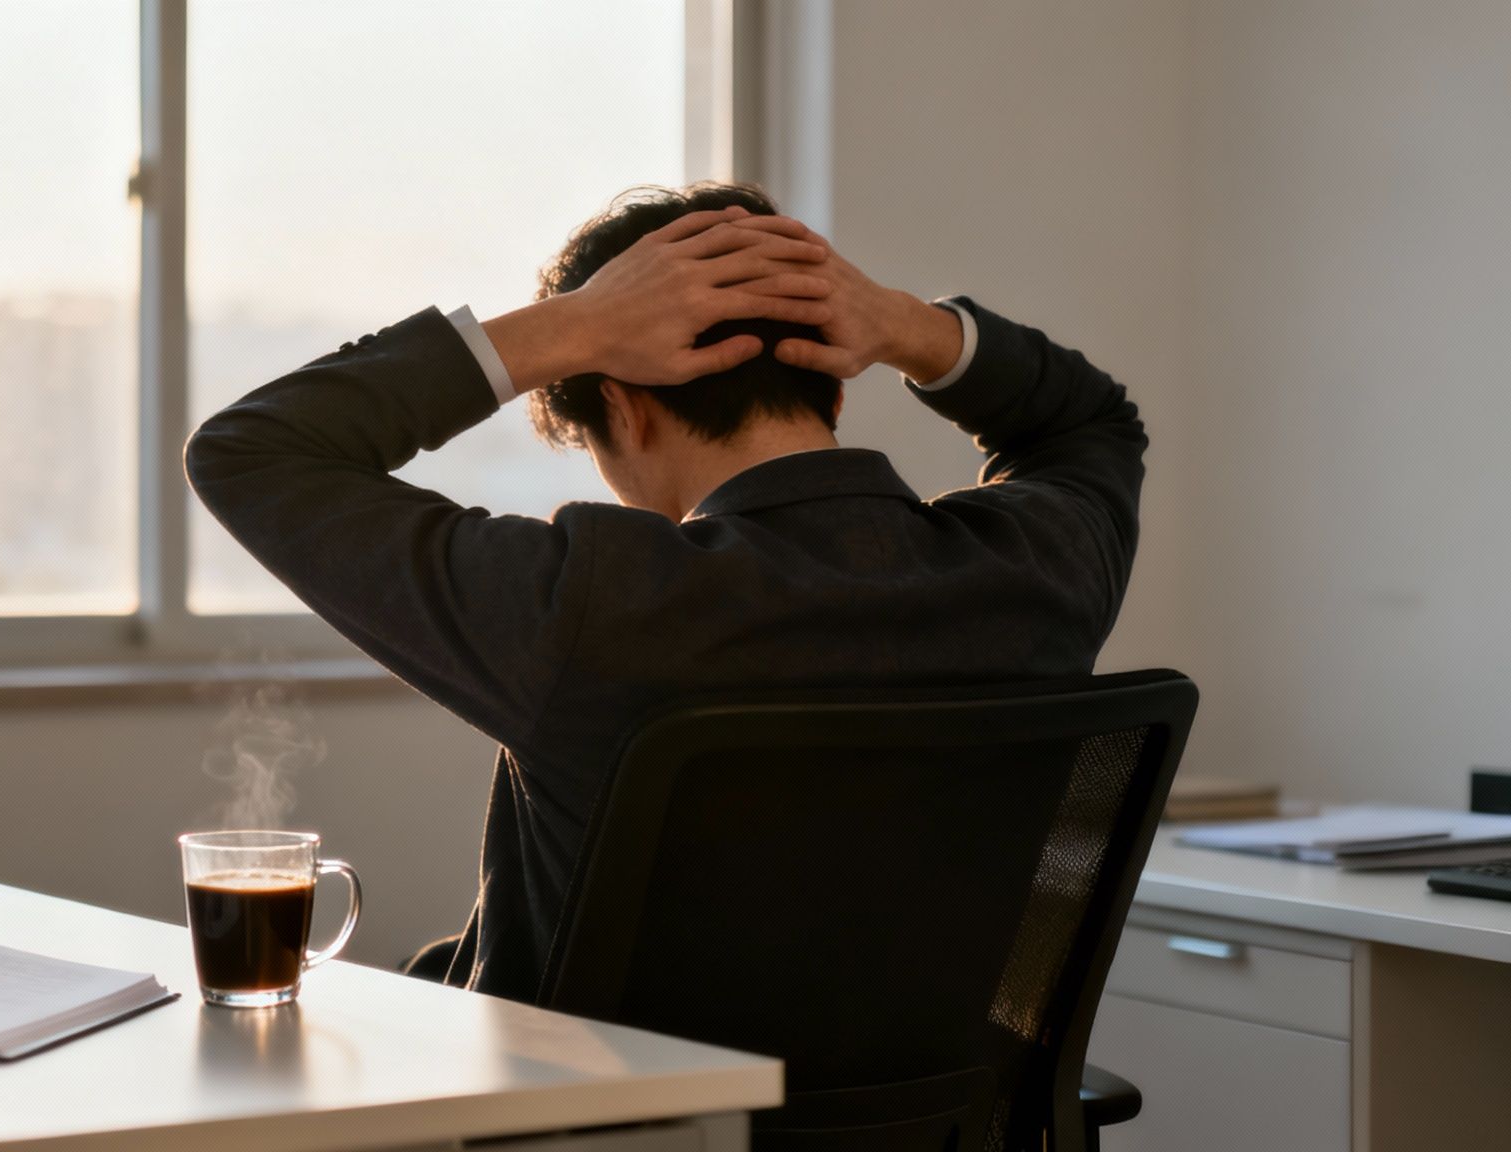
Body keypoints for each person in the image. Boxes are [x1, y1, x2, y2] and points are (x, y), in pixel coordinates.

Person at [185, 183, 1145, 1003]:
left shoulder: (598, 602)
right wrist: (900, 323)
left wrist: (576, 325)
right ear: (838, 388)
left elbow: (251, 450)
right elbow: (1091, 422)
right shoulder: (1038, 568)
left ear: (623, 403)